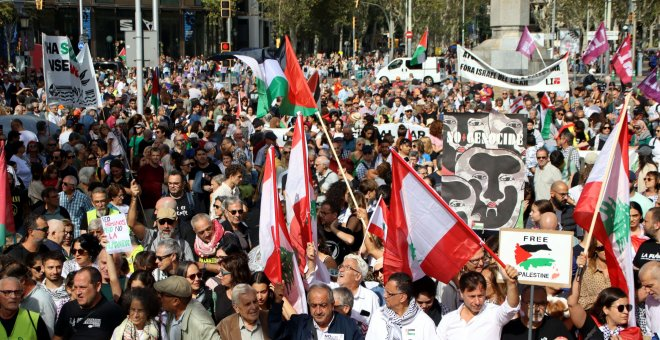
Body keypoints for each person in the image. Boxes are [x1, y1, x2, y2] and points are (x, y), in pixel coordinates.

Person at [568, 253, 642, 339]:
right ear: (606, 309)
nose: (626, 312)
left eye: (628, 307)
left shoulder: (633, 333)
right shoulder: (591, 326)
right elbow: (572, 303)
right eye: (620, 308)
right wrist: (580, 269)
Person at [437, 266, 520, 339]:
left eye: (480, 296)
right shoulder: (447, 320)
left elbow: (511, 307)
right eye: (472, 296)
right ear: (461, 294)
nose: (477, 302)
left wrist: (511, 283)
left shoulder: (494, 314)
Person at [269, 282, 364, 340]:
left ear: (332, 305)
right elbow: (276, 333)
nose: (318, 311)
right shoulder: (299, 324)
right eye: (314, 306)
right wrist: (277, 302)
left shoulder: (349, 326)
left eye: (323, 305)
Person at [53, 267, 125, 339]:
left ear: (97, 286)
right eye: (75, 287)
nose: (78, 292)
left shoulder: (113, 311)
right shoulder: (68, 308)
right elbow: (58, 337)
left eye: (82, 287)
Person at [366, 272, 438, 339]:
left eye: (389, 293)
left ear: (403, 297)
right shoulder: (378, 315)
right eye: (385, 291)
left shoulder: (425, 323)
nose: (384, 295)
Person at [154, 275, 221, 340]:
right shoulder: (172, 313)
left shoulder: (201, 324)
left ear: (175, 301)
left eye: (162, 294)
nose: (159, 297)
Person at [501, 285, 574, 340]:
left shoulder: (556, 326)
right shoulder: (509, 329)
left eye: (541, 303)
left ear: (546, 304)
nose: (536, 309)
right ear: (521, 304)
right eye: (531, 303)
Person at [42, 251, 69, 316]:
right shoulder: (38, 291)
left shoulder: (71, 288)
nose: (55, 271)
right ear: (43, 268)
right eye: (50, 267)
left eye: (58, 267)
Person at [639, 261, 660, 336]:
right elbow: (650, 331)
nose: (647, 291)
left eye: (650, 286)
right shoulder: (650, 300)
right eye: (645, 287)